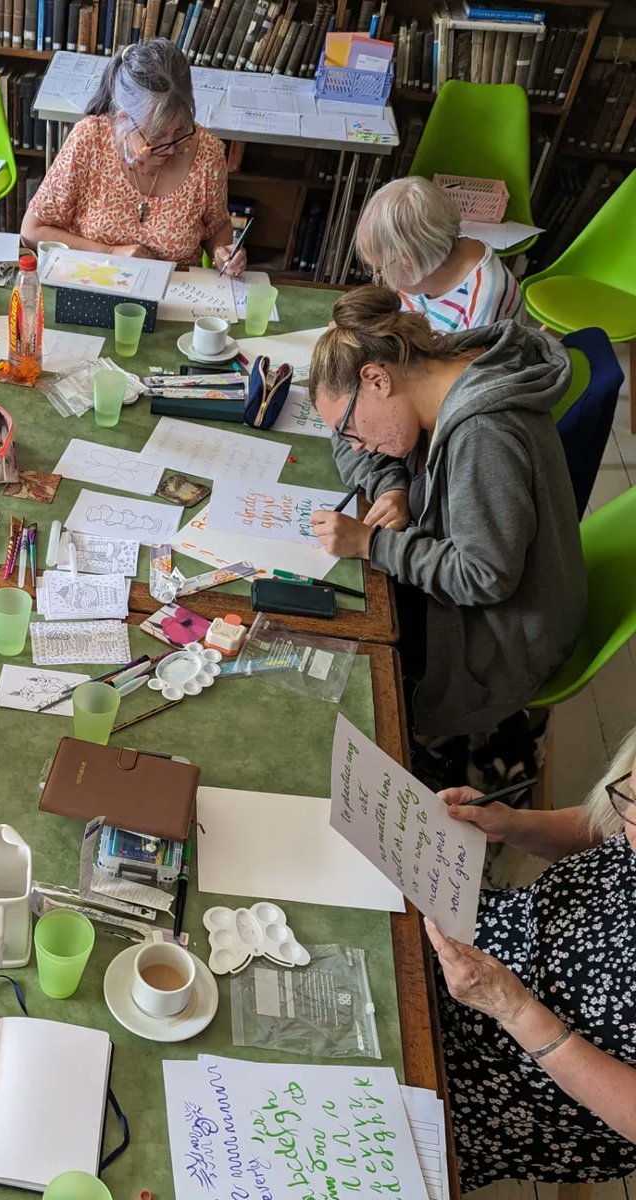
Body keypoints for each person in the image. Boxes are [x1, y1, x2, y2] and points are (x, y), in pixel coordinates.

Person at [308, 286, 585, 740]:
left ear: (378, 379)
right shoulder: (440, 364)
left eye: (353, 428)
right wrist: (391, 484)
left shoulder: (483, 437)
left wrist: (372, 544)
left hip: (501, 637)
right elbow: (348, 441)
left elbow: (485, 576)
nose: (356, 444)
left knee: (340, 648)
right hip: (492, 589)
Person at [428, 730, 636, 1189]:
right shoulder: (629, 819)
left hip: (514, 1083)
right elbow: (605, 826)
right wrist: (512, 824)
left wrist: (516, 1010)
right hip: (462, 955)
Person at [21, 39, 245, 272]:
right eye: (156, 136)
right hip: (94, 284)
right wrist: (110, 253)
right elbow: (32, 231)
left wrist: (223, 252)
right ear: (123, 121)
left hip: (177, 294)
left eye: (179, 130)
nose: (170, 148)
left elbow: (216, 227)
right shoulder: (90, 140)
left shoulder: (207, 153)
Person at [356, 176, 521, 333]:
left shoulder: (484, 298)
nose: (382, 277)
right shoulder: (432, 256)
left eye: (379, 269)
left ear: (409, 262)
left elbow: (471, 362)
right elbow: (407, 314)